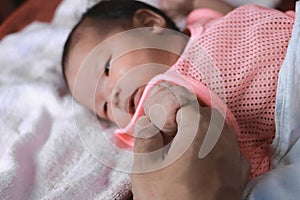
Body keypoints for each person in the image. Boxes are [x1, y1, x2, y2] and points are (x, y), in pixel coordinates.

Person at [61, 0, 295, 182]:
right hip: (286, 119)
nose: (113, 97)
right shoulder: (166, 109)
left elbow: (226, 14)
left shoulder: (200, 26)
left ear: (149, 24)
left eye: (108, 68)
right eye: (103, 107)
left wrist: (191, 4)